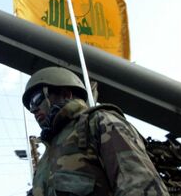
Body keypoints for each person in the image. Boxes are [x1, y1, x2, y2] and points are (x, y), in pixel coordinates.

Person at [22, 67, 169, 196]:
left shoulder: (99, 123)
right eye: (30, 105)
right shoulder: (43, 164)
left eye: (36, 99)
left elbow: (140, 185)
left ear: (66, 94)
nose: (33, 109)